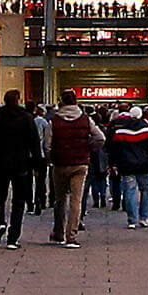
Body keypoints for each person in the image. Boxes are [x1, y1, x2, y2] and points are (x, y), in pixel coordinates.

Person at [0, 89, 41, 249]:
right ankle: (13, 237)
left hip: (0, 164)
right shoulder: (26, 117)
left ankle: (0, 223)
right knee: (19, 201)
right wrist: (37, 164)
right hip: (21, 164)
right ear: (18, 100)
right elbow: (34, 142)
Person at [48, 90, 103, 248]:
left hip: (60, 163)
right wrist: (88, 147)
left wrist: (51, 157)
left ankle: (58, 232)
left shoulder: (54, 121)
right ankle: (71, 235)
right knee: (76, 200)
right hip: (80, 162)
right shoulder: (86, 120)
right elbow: (100, 138)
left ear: (61, 102)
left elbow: (46, 144)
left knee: (59, 199)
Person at [107, 105, 148, 230]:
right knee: (145, 191)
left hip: (127, 165)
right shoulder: (147, 130)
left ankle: (132, 220)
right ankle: (144, 217)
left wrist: (112, 164)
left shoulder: (121, 131)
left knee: (130, 191)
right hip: (144, 165)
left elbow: (114, 150)